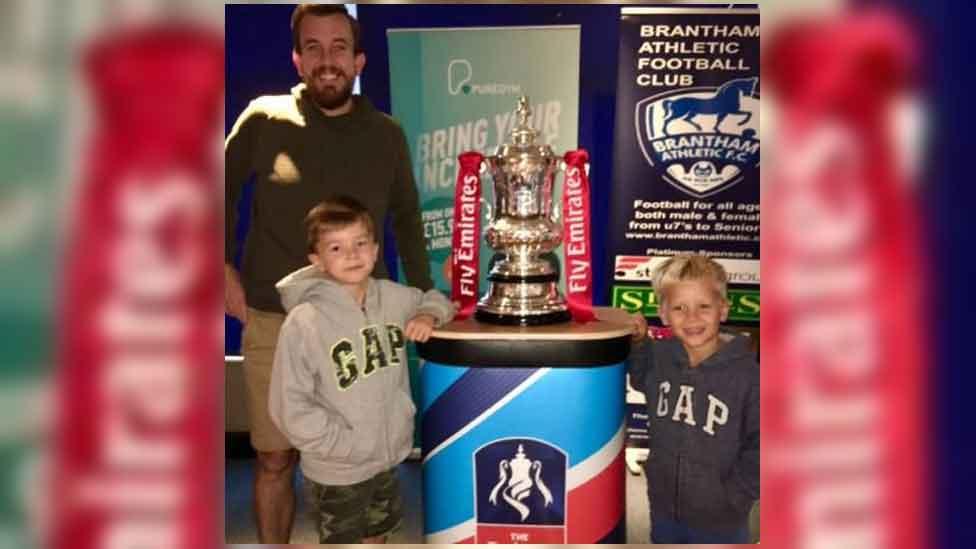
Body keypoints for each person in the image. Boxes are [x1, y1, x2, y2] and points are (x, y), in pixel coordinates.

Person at [224, 4, 432, 542]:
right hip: (274, 319)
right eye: (312, 48)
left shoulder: (387, 133)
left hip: (367, 325)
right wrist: (220, 271)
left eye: (339, 47)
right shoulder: (263, 119)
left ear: (359, 59)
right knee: (274, 458)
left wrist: (426, 296)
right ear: (296, 59)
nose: (327, 60)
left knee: (366, 460)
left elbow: (408, 219)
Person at [268, 196, 454, 543]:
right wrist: (342, 443)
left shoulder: (394, 298)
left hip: (384, 460)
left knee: (377, 537)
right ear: (317, 260)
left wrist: (427, 314)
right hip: (337, 467)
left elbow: (437, 298)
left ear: (376, 249)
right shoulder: (305, 320)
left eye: (360, 243)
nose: (352, 255)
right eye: (336, 247)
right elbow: (288, 405)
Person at [628, 254, 759, 544]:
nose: (692, 318)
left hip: (722, 521)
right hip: (663, 508)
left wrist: (735, 495)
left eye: (703, 306)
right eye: (679, 308)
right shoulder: (660, 357)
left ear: (722, 309)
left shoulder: (749, 376)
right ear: (663, 314)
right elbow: (640, 377)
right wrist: (638, 343)